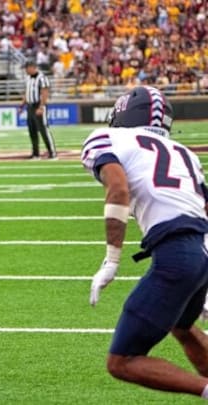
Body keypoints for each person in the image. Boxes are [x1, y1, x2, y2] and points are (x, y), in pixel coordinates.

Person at [81, 85, 208, 398]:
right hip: (199, 251)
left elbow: (119, 190)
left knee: (121, 361)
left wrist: (111, 261)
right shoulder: (185, 153)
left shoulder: (109, 137)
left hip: (176, 253)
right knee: (182, 325)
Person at [19, 59, 57, 160]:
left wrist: (41, 106)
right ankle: (35, 154)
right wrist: (22, 106)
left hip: (38, 105)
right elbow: (27, 93)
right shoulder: (28, 78)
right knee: (32, 131)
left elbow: (45, 93)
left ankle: (52, 152)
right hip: (30, 106)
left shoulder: (42, 78)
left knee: (43, 130)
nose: (25, 71)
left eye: (26, 68)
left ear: (32, 67)